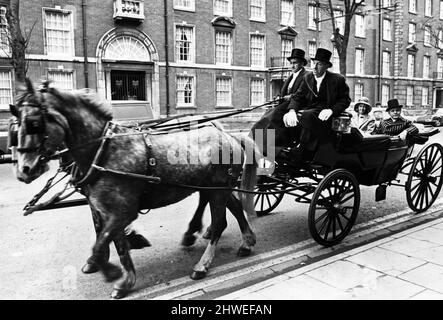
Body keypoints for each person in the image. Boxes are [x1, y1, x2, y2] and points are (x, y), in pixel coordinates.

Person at [285, 48, 351, 159]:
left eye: (319, 64)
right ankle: (281, 144)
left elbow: (345, 100)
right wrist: (291, 110)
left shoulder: (337, 79)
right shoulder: (308, 77)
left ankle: (303, 148)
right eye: (314, 63)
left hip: (327, 115)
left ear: (326, 66)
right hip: (312, 111)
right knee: (282, 113)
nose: (314, 67)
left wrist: (332, 110)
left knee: (307, 115)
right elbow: (298, 96)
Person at [250, 48, 309, 162]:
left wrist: (290, 97)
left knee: (272, 116)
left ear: (301, 64)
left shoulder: (306, 76)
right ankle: (256, 141)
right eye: (291, 63)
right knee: (267, 114)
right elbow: (284, 92)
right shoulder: (291, 77)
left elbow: (302, 94)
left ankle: (273, 146)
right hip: (285, 104)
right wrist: (279, 97)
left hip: (297, 106)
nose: (292, 66)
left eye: (295, 63)